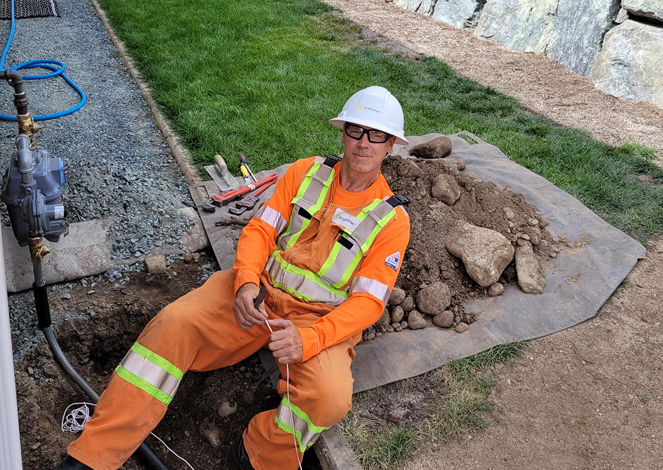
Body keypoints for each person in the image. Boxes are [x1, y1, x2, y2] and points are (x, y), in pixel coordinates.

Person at [57, 85, 411, 470]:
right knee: (171, 326)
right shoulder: (305, 172)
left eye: (376, 135)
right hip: (260, 295)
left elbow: (368, 303)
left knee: (329, 398)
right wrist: (245, 282)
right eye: (356, 130)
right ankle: (93, 454)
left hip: (315, 320)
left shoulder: (391, 221)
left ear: (390, 144)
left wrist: (309, 339)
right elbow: (260, 230)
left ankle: (258, 453)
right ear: (343, 132)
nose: (363, 143)